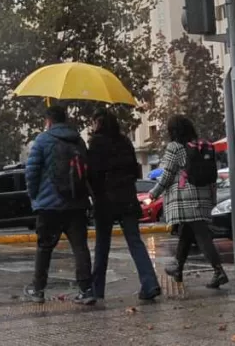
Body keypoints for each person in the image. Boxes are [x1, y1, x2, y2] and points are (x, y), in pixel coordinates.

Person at [23, 104, 96, 305]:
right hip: (77, 204)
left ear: (49, 121)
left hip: (49, 206)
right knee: (80, 248)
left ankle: (38, 290)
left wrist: (35, 197)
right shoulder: (78, 140)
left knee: (44, 248)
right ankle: (86, 290)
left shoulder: (43, 140)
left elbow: (31, 172)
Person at [88, 108, 161, 301]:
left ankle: (97, 289)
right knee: (135, 242)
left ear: (99, 123)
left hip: (105, 200)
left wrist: (94, 195)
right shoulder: (125, 141)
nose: (92, 126)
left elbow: (93, 174)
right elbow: (134, 170)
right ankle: (150, 283)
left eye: (94, 122)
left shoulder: (96, 143)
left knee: (102, 245)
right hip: (127, 198)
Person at [149, 115, 228, 289]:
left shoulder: (175, 147)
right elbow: (212, 176)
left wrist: (154, 193)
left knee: (201, 234)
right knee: (187, 231)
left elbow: (168, 174)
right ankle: (178, 268)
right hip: (202, 195)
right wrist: (212, 198)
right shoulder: (200, 146)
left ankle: (218, 271)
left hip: (185, 198)